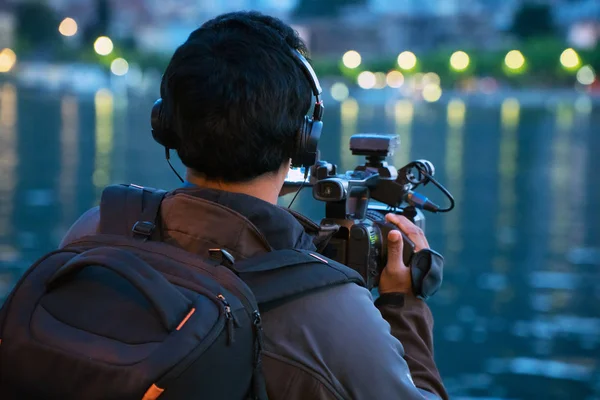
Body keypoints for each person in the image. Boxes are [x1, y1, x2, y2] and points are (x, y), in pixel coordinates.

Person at [60, 11, 448, 400]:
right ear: (304, 138)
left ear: (166, 124)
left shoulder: (94, 233)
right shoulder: (332, 317)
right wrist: (404, 305)